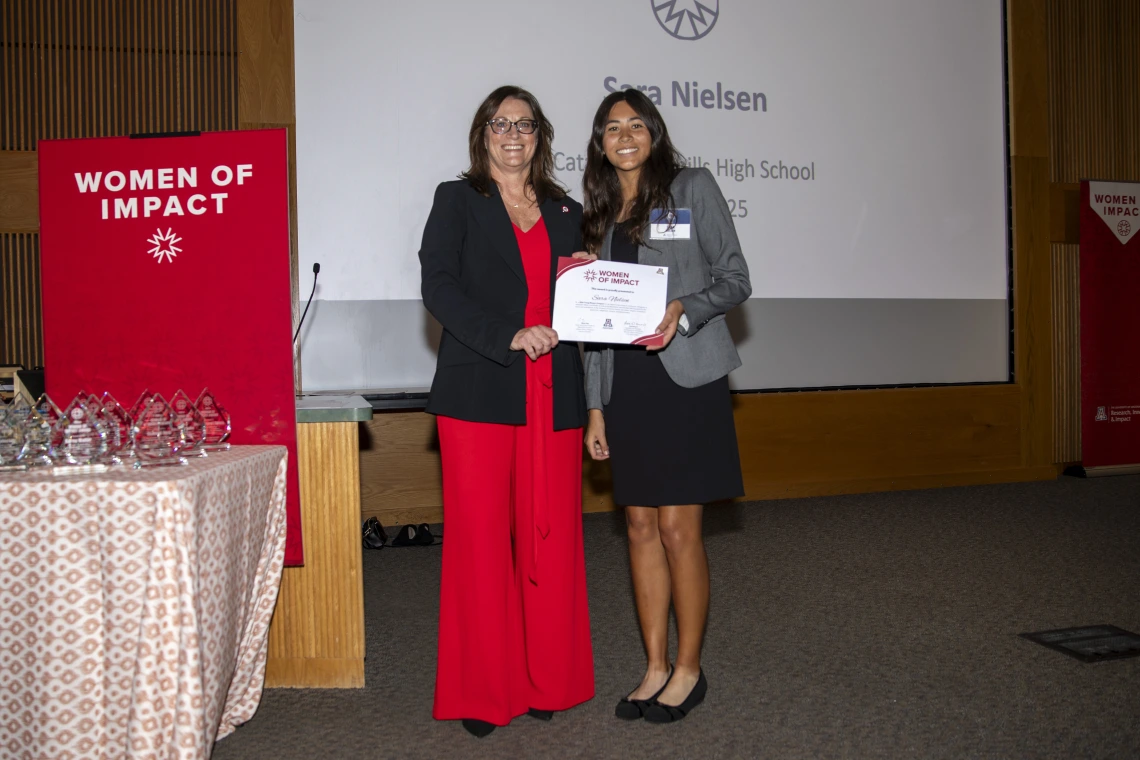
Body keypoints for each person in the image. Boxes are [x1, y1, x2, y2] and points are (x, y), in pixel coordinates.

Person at [419, 85, 594, 738]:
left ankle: (550, 678)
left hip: (554, 391)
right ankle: (484, 689)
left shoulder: (566, 209)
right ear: (482, 133)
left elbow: (581, 297)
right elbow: (437, 284)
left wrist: (593, 277)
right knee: (482, 541)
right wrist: (507, 335)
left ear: (541, 136)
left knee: (551, 538)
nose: (512, 133)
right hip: (481, 389)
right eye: (500, 123)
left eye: (525, 124)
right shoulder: (457, 200)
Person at [580, 89, 751, 723]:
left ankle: (689, 669)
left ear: (654, 131)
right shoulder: (596, 215)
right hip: (625, 384)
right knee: (638, 527)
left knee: (680, 529)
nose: (624, 135)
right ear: (600, 142)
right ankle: (653, 666)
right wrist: (595, 409)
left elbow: (735, 277)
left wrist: (685, 309)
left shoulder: (691, 187)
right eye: (611, 127)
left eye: (635, 124)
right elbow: (593, 323)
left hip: (684, 377)